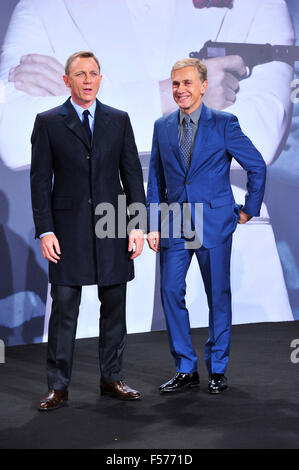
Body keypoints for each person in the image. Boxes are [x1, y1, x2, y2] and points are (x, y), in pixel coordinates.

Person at [0, 0, 293, 343]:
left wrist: (81, 100)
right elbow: (15, 134)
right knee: (95, 388)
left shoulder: (255, 3)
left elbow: (260, 131)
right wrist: (172, 98)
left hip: (228, 263)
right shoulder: (44, 5)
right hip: (98, 258)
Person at [30, 51, 146, 410]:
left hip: (112, 225)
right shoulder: (48, 121)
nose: (87, 80)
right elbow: (39, 182)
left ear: (100, 78)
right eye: (80, 74)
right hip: (67, 230)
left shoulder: (118, 120)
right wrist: (45, 230)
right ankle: (58, 386)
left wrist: (137, 224)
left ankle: (112, 378)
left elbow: (132, 176)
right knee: (65, 310)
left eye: (93, 73)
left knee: (114, 307)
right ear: (67, 80)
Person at [147, 58, 266, 394]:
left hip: (214, 222)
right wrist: (153, 223)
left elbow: (256, 166)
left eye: (186, 83)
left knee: (218, 296)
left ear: (202, 86)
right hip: (174, 224)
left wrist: (248, 210)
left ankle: (217, 367)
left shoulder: (224, 123)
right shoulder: (162, 126)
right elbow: (155, 179)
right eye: (175, 84)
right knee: (170, 292)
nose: (180, 90)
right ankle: (186, 368)